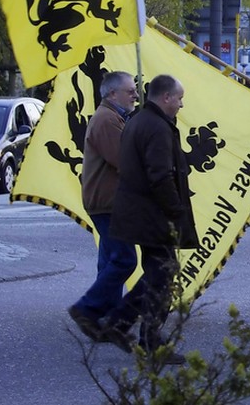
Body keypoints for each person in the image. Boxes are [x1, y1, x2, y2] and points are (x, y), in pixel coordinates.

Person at [99, 75, 198, 365]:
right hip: (153, 215)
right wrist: (175, 210)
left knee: (158, 275)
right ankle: (149, 342)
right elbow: (159, 175)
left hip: (141, 213)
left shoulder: (141, 120)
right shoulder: (156, 127)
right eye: (179, 98)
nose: (181, 104)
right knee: (162, 278)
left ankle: (120, 324)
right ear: (166, 97)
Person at [67, 71, 139, 342]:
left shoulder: (113, 117)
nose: (135, 94)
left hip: (106, 200)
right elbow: (123, 160)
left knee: (111, 260)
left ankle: (105, 317)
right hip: (109, 202)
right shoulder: (108, 119)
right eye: (130, 90)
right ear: (112, 94)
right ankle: (87, 308)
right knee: (124, 260)